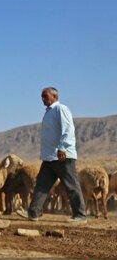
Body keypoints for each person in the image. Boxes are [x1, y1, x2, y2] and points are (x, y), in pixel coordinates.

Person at [27, 87, 87, 222]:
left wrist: (62, 147)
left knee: (71, 185)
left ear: (55, 96)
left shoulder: (61, 109)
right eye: (42, 97)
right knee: (41, 184)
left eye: (45, 96)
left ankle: (80, 215)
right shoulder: (48, 112)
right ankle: (33, 212)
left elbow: (68, 130)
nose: (43, 99)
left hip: (62, 156)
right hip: (49, 157)